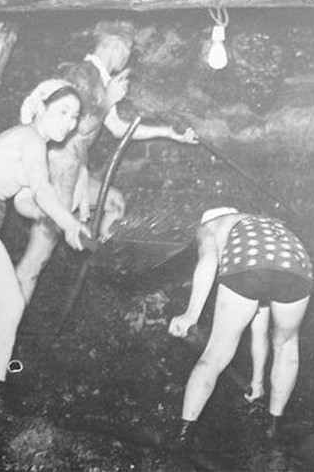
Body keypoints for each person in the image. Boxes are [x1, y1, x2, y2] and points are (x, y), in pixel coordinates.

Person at [14, 19, 198, 305]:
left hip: (76, 169)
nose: (128, 57)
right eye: (128, 49)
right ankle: (9, 318)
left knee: (113, 202)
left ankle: (107, 267)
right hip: (60, 167)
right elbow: (78, 127)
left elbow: (118, 128)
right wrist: (109, 100)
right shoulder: (82, 74)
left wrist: (168, 133)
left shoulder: (102, 80)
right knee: (36, 258)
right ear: (115, 45)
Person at [0, 79, 90, 416]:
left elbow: (25, 202)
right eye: (62, 111)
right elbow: (41, 190)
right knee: (11, 302)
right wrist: (68, 222)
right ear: (40, 107)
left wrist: (58, 218)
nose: (69, 122)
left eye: (74, 116)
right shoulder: (31, 139)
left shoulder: (27, 142)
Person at [168, 207, 313, 446]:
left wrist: (191, 314)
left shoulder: (209, 226)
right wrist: (257, 383)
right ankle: (273, 429)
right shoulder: (259, 223)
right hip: (295, 260)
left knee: (215, 354)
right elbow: (259, 328)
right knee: (287, 344)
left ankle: (182, 437)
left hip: (248, 261)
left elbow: (208, 261)